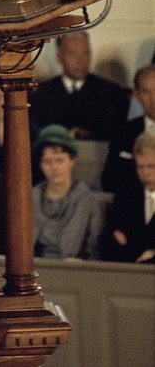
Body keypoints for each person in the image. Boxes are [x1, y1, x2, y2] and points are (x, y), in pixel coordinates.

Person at [29, 31, 129, 141]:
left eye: (86, 53)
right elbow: (38, 133)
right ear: (59, 57)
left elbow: (116, 132)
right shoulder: (43, 93)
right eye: (72, 54)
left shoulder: (110, 92)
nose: (81, 61)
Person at [32, 124, 106, 259]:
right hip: (34, 268)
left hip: (74, 272)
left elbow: (94, 248)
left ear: (72, 160)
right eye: (47, 162)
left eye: (59, 161)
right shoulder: (31, 197)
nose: (54, 167)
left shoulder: (88, 200)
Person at [101, 131, 155, 264]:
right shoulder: (124, 198)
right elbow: (110, 242)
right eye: (140, 167)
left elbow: (125, 239)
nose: (145, 173)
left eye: (151, 166)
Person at [101, 64, 155, 193]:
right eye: (146, 92)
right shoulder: (123, 133)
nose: (153, 99)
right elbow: (108, 181)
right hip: (135, 205)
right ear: (136, 95)